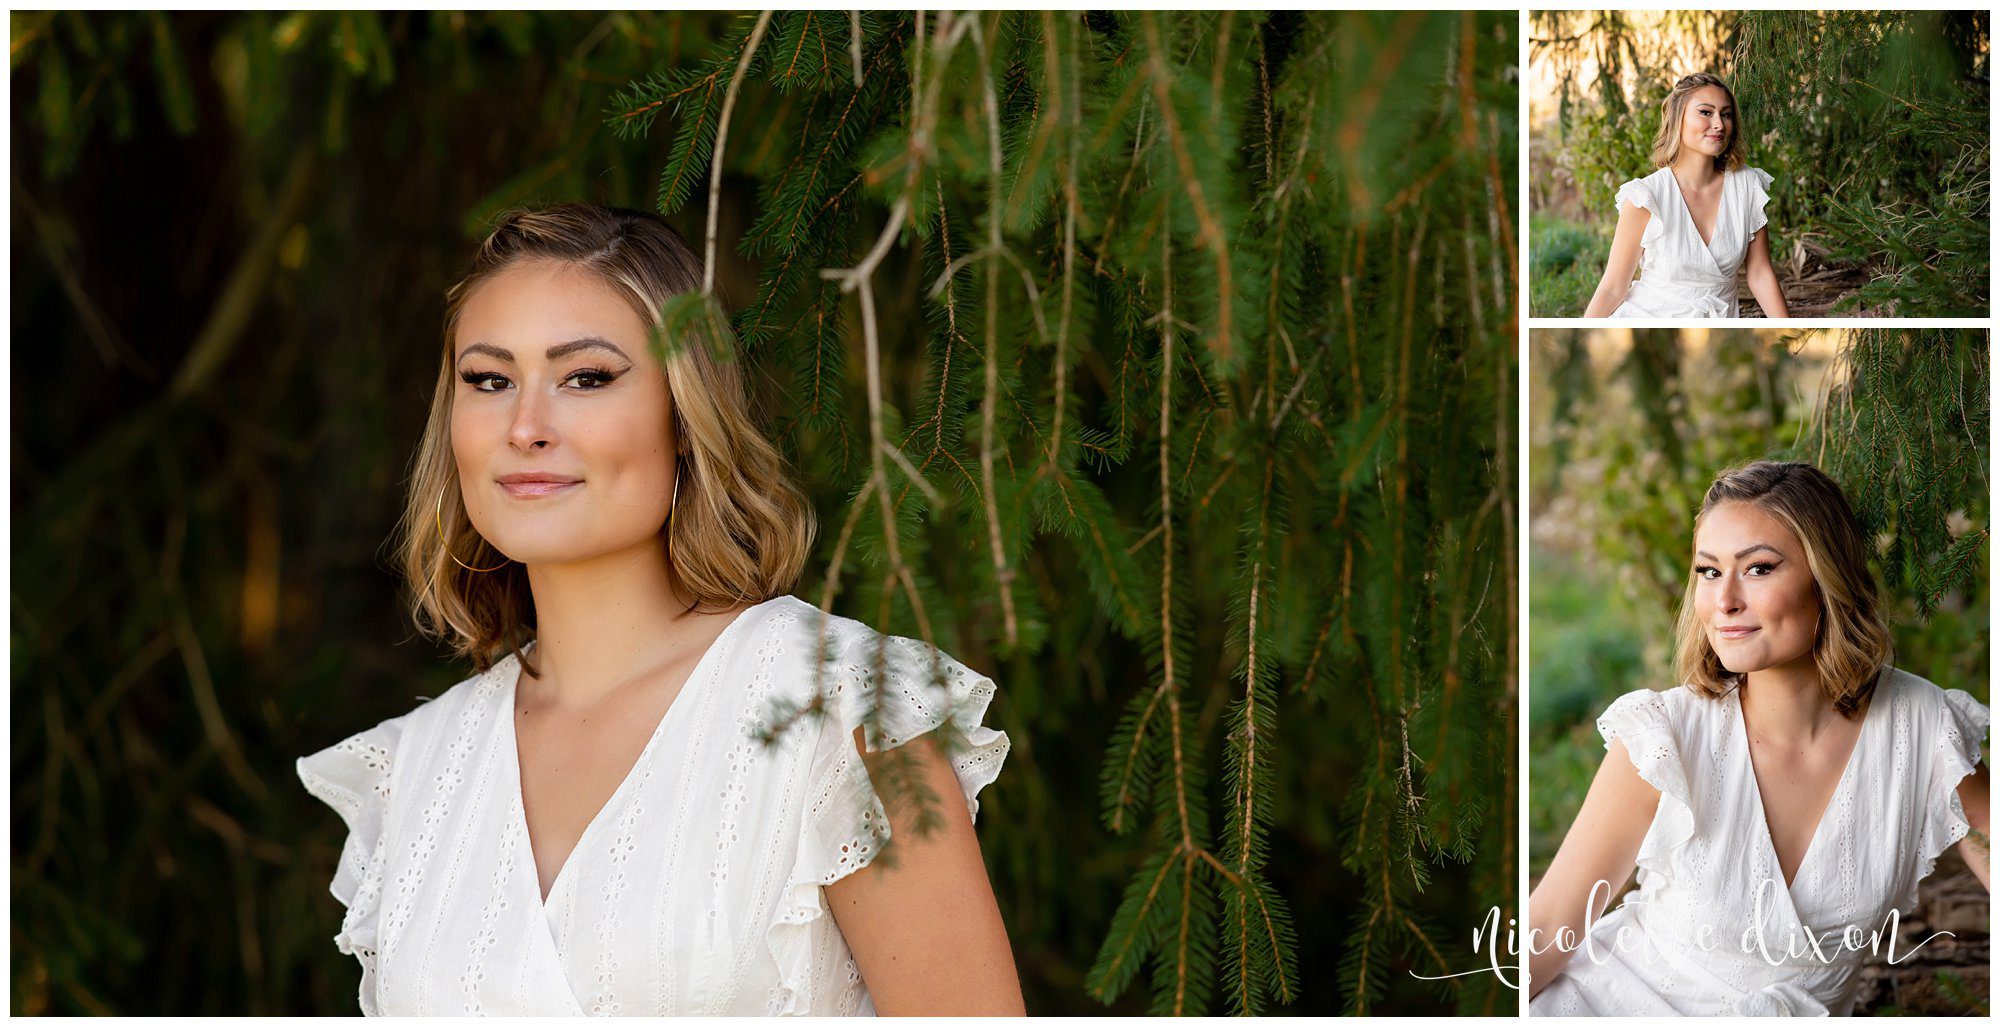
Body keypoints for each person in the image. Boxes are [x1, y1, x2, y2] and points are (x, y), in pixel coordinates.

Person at [295, 203, 1024, 1015]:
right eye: (490, 380)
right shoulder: (416, 774)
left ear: (683, 412)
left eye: (587, 377)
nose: (526, 426)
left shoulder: (843, 707)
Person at [1528, 461, 1989, 1016]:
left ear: (1827, 578)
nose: (1724, 600)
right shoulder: (1663, 738)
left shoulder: (1923, 728)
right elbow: (1547, 928)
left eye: (1759, 568)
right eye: (1708, 571)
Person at [1582, 74, 1791, 318]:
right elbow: (1613, 288)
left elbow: (1760, 273)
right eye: (1706, 112)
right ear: (1678, 118)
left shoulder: (1746, 185)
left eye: (1726, 114)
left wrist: (1788, 330)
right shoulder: (1646, 197)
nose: (1719, 124)